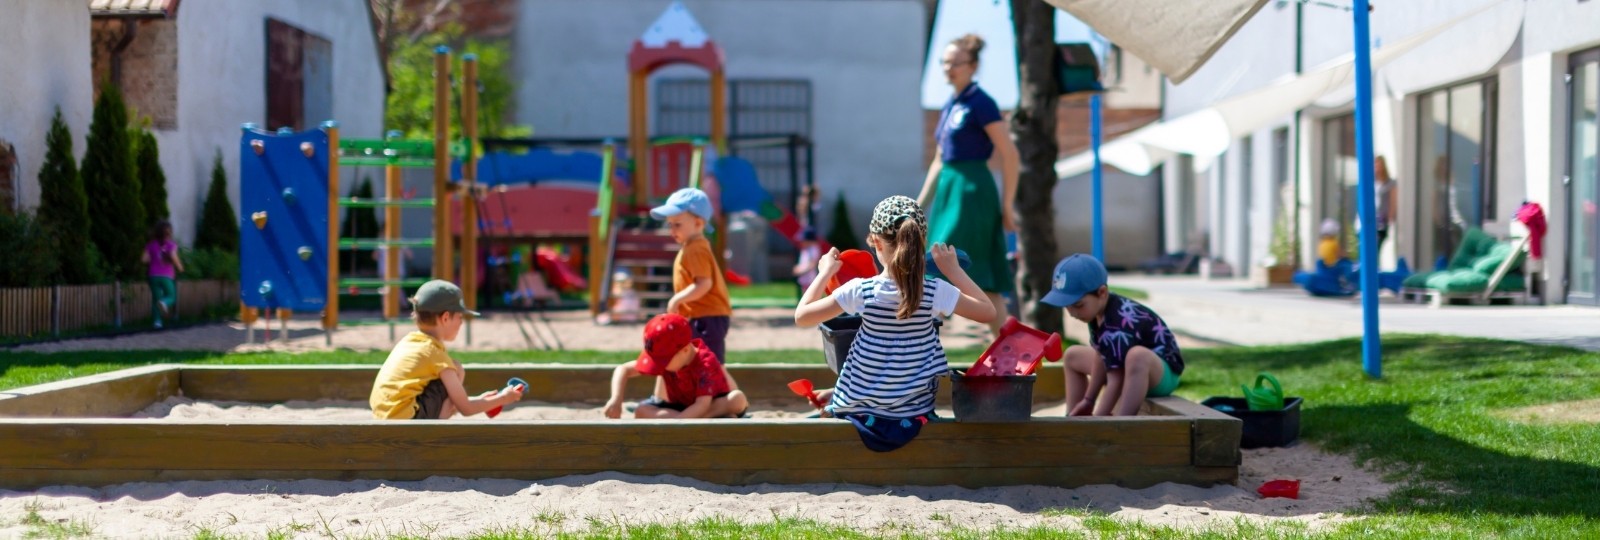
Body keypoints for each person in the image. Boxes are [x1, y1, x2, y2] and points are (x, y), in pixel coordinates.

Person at [794, 196, 996, 451]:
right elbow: (988, 312)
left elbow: (802, 316)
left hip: (860, 412)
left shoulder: (861, 290)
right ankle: (843, 396)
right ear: (921, 242)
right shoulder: (934, 291)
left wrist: (825, 272)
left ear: (875, 242)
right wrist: (953, 271)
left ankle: (844, 397)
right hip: (912, 413)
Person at [917, 33, 1020, 338]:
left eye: (955, 63)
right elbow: (939, 160)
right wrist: (919, 205)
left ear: (973, 66)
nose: (948, 68)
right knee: (963, 274)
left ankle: (1006, 351)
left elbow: (1010, 154)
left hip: (972, 194)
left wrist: (1007, 204)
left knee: (944, 265)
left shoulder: (981, 102)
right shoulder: (950, 104)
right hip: (949, 193)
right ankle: (1009, 351)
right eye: (944, 62)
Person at [1043, 254, 1185, 417]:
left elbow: (1116, 379)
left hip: (1161, 375)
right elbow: (1102, 356)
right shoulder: (1097, 311)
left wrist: (1100, 418)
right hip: (1126, 369)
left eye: (1078, 305)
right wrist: (1089, 400)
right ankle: (1073, 419)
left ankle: (1121, 423)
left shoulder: (1116, 321)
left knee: (1137, 356)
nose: (1073, 313)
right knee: (1072, 355)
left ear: (1102, 292)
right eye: (1067, 306)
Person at [369, 280, 525, 420]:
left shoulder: (408, 342)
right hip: (408, 424)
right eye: (459, 317)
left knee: (451, 375)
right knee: (456, 369)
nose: (461, 323)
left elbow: (456, 402)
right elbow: (466, 409)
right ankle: (439, 426)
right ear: (445, 318)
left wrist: (483, 401)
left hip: (386, 420)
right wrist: (504, 398)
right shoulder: (434, 353)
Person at [602, 313, 749, 419]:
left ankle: (695, 420)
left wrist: (678, 423)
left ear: (684, 350)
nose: (659, 365)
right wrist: (616, 399)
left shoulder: (705, 363)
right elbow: (623, 369)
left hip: (710, 404)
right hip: (680, 407)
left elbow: (702, 405)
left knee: (737, 399)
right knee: (641, 411)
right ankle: (708, 420)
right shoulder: (672, 355)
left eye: (663, 360)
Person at [650, 187, 733, 363]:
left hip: (707, 317)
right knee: (696, 363)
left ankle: (722, 384)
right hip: (702, 316)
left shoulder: (695, 249)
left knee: (708, 365)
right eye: (670, 224)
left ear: (698, 223)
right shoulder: (692, 246)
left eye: (677, 224)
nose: (672, 230)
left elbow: (704, 284)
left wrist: (676, 300)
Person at [140, 221, 184, 329]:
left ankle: (157, 322)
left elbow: (144, 259)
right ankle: (164, 302)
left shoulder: (151, 245)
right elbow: (173, 256)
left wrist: (154, 258)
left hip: (153, 276)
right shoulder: (171, 244)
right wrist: (180, 267)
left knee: (156, 299)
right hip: (166, 276)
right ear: (169, 233)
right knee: (171, 296)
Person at [1374, 155, 1398, 249]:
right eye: (1375, 166)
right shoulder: (1371, 182)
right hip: (1370, 217)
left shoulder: (1390, 183)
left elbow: (1393, 201)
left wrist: (1390, 218)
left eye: (1379, 166)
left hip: (1381, 218)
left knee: (1376, 244)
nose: (1377, 168)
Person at [792, 226, 822, 293]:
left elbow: (813, 263)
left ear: (809, 240)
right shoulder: (805, 249)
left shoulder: (813, 249)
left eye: (803, 240)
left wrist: (801, 271)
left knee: (810, 295)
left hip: (810, 279)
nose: (801, 242)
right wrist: (798, 268)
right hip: (805, 279)